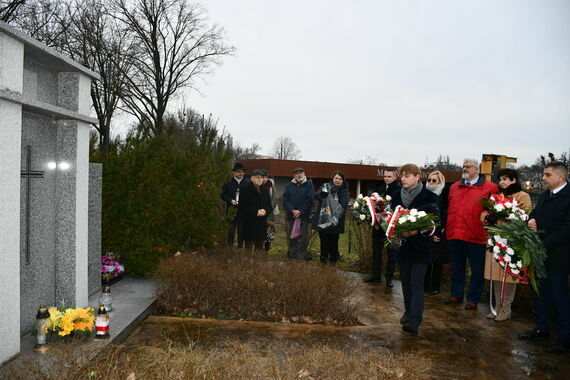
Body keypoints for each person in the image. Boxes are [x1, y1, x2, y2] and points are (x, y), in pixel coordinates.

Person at [519, 161, 570, 353]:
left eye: (547, 175)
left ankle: (565, 338)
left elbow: (567, 229)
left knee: (560, 297)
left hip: (559, 256)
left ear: (560, 176)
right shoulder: (545, 196)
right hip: (540, 256)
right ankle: (543, 328)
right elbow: (535, 216)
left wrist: (543, 243)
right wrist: (531, 221)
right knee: (541, 294)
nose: (543, 178)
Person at [391, 164, 440, 337]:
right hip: (402, 247)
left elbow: (435, 224)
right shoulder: (396, 195)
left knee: (416, 283)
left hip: (420, 248)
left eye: (407, 176)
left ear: (417, 177)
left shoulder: (429, 197)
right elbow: (391, 218)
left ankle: (415, 321)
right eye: (402, 176)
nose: (403, 179)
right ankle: (408, 311)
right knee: (405, 281)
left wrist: (416, 230)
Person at [446, 158, 498, 310]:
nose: (464, 169)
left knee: (477, 270)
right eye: (463, 166)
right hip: (456, 233)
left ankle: (473, 298)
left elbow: (493, 211)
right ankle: (456, 294)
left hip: (476, 235)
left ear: (477, 169)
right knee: (457, 267)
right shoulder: (455, 187)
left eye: (468, 167)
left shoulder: (490, 187)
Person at [481, 168, 531, 322]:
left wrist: (497, 221)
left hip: (512, 243)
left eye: (505, 179)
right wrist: (486, 218)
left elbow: (521, 218)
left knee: (508, 276)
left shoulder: (523, 196)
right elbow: (484, 212)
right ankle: (497, 307)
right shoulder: (497, 196)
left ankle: (506, 308)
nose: (502, 182)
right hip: (495, 241)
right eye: (500, 179)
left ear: (514, 180)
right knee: (496, 276)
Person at [364, 169, 401, 285]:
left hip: (391, 227)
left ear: (395, 177)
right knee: (376, 251)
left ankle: (389, 278)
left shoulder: (399, 190)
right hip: (379, 227)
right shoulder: (379, 188)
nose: (386, 178)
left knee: (391, 254)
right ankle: (376, 275)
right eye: (385, 176)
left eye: (389, 176)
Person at [312, 170, 350, 264]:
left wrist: (332, 206)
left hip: (335, 220)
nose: (337, 180)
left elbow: (344, 204)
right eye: (336, 178)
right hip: (324, 218)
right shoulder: (325, 186)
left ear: (343, 180)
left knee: (333, 242)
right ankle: (323, 261)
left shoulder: (344, 190)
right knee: (323, 242)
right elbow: (315, 196)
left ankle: (333, 262)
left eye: (340, 179)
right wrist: (322, 194)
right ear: (332, 178)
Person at [424, 170, 450, 295]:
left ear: (440, 181)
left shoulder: (444, 196)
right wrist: (428, 231)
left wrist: (437, 232)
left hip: (440, 232)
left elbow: (446, 214)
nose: (431, 183)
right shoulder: (424, 194)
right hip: (425, 232)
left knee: (437, 261)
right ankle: (425, 285)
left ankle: (435, 286)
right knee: (426, 261)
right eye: (429, 180)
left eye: (434, 180)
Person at [282, 167, 314, 260]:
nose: (299, 175)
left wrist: (300, 211)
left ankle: (302, 255)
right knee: (293, 235)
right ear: (294, 175)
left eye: (301, 173)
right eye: (297, 173)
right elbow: (285, 199)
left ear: (304, 174)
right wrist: (292, 210)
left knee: (303, 236)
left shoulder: (309, 185)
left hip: (303, 216)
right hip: (292, 215)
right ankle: (293, 254)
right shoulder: (289, 185)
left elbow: (310, 199)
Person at [239, 169, 272, 251]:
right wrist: (255, 212)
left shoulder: (264, 190)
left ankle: (258, 263)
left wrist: (265, 211)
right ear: (252, 178)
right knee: (248, 246)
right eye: (258, 177)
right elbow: (242, 206)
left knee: (260, 246)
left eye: (262, 177)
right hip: (249, 222)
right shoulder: (245, 189)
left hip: (261, 222)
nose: (260, 179)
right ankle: (247, 263)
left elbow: (269, 205)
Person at [220, 163, 250, 248]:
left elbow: (250, 196)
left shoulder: (247, 182)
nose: (241, 173)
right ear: (234, 172)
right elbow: (222, 194)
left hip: (243, 211)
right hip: (231, 210)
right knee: (231, 231)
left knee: (241, 231)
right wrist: (230, 200)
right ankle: (230, 249)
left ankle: (240, 249)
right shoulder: (228, 182)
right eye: (238, 172)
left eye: (242, 172)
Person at [261, 169, 279, 251]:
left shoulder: (271, 185)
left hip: (270, 212)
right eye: (262, 177)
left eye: (265, 177)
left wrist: (268, 208)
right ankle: (259, 250)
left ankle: (266, 251)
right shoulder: (257, 185)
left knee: (268, 233)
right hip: (259, 212)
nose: (264, 179)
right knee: (260, 231)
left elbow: (275, 197)